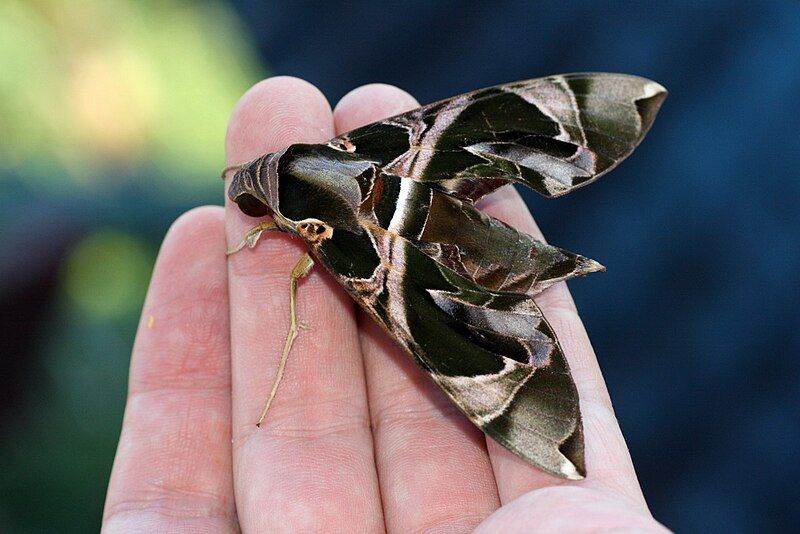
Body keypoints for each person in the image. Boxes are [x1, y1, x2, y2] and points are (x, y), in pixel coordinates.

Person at [101, 77, 668, 532]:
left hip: (424, 239)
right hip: (415, 181)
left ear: (285, 219)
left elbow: (297, 294)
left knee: (421, 317)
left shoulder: (321, 239)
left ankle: (535, 401)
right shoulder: (359, 149)